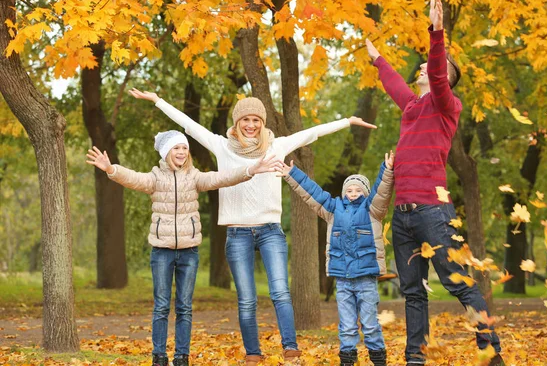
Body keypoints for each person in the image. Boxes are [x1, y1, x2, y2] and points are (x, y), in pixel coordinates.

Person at [129, 88, 377, 365]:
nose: (250, 125)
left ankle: (290, 347)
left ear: (263, 122)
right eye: (245, 120)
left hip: (271, 230)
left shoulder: (276, 146)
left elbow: (312, 133)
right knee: (246, 298)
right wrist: (158, 101)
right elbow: (189, 125)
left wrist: (347, 121)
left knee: (280, 292)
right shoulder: (221, 146)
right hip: (237, 233)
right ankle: (253, 353)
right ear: (236, 123)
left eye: (256, 120)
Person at [365, 0, 504, 366]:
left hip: (433, 210)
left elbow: (439, 73)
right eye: (423, 66)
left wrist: (437, 32)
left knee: (458, 282)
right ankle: (415, 358)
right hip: (404, 214)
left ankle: (491, 353)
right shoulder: (413, 107)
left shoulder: (447, 105)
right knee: (413, 292)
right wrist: (377, 58)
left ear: (447, 78)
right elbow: (395, 85)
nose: (424, 69)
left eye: (430, 67)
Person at [86, 131, 281, 366]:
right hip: (162, 251)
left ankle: (181, 356)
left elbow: (222, 178)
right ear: (167, 152)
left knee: (184, 307)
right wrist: (111, 169)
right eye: (176, 148)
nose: (181, 152)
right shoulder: (156, 177)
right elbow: (134, 178)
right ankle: (159, 356)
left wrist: (250, 170)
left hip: (189, 251)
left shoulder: (194, 177)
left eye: (184, 148)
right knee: (160, 305)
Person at [276, 151, 394, 366]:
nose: (353, 193)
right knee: (347, 326)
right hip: (343, 279)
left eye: (358, 190)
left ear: (365, 192)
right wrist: (291, 174)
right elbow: (313, 194)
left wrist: (386, 169)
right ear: (343, 192)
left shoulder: (372, 210)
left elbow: (382, 192)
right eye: (349, 189)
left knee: (369, 325)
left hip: (366, 278)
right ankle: (347, 360)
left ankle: (379, 361)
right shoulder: (333, 209)